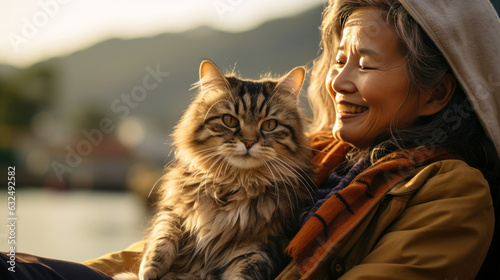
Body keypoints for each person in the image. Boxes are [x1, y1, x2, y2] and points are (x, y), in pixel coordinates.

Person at [2, 0, 499, 279]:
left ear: (435, 93)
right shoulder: (318, 153)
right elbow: (154, 252)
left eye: (364, 64)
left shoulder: (454, 194)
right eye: (340, 60)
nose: (338, 82)